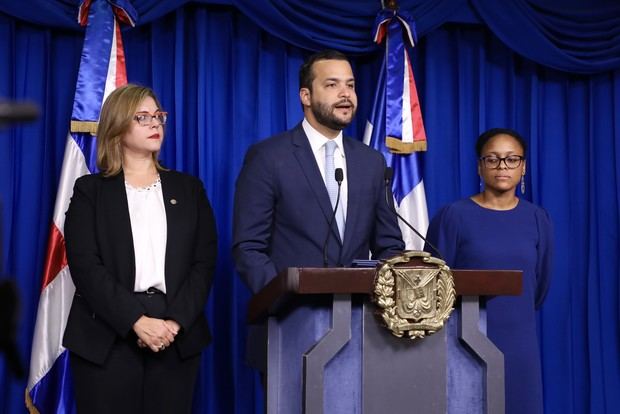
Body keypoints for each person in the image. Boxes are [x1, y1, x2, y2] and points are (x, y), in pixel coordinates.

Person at [63, 84, 217, 414]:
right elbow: (86, 266)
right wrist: (136, 320)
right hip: (106, 335)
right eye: (142, 117)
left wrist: (172, 323)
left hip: (174, 337)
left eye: (158, 116)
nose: (155, 124)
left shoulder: (189, 189)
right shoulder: (90, 191)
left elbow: (203, 262)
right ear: (118, 125)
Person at [232, 49, 404, 294]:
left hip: (360, 318)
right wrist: (283, 299)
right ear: (306, 96)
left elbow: (389, 245)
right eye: (332, 85)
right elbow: (249, 248)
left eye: (350, 85)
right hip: (291, 319)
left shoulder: (371, 162)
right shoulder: (268, 157)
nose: (346, 94)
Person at [425, 128, 553, 414]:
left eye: (511, 159)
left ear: (523, 167)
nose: (502, 167)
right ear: (480, 167)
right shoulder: (453, 216)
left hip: (520, 342)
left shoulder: (537, 218)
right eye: (493, 159)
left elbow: (540, 285)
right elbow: (432, 284)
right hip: (465, 341)